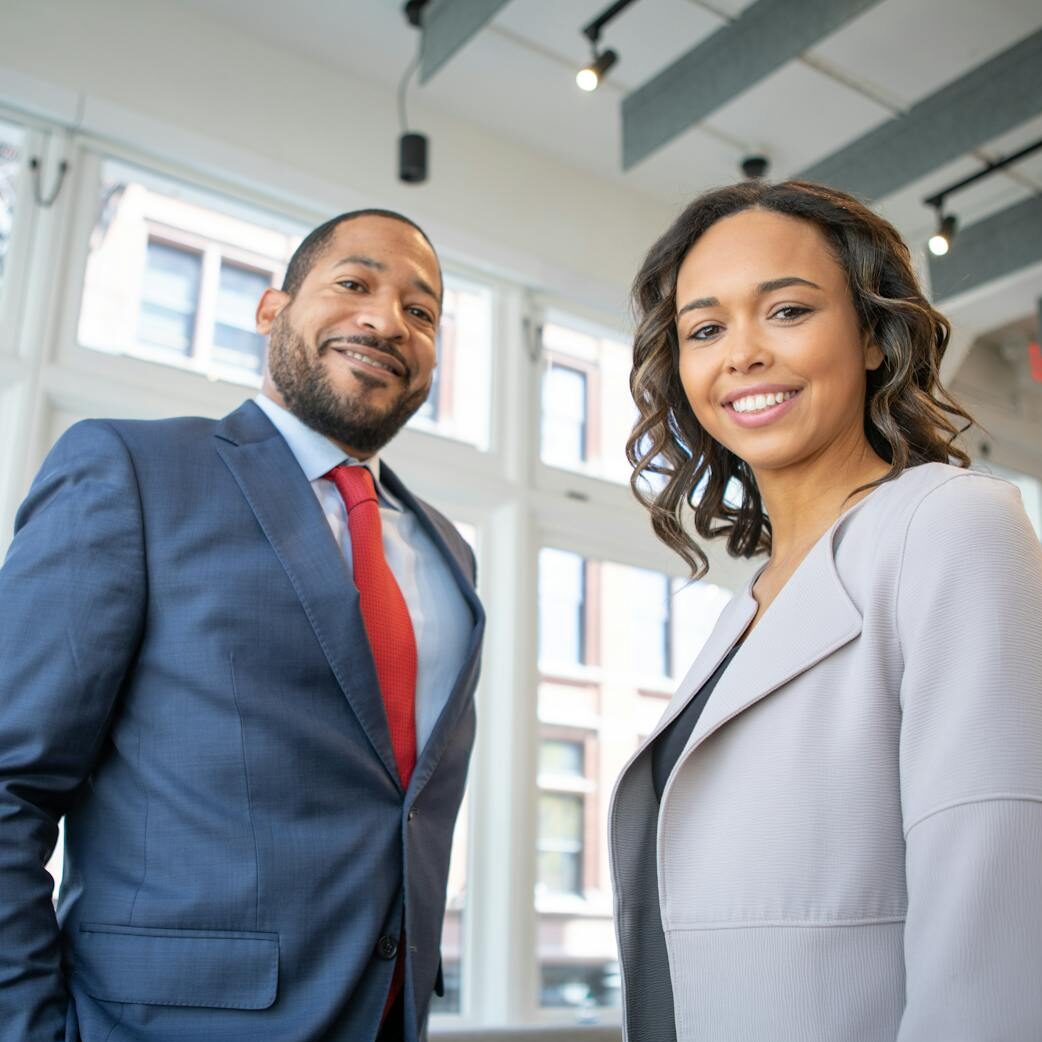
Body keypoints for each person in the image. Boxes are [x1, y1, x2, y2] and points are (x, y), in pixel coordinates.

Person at [0, 209, 484, 1042]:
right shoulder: (130, 471)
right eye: (355, 284)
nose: (386, 319)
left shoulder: (449, 552)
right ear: (271, 310)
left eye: (421, 311)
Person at [609, 180, 1042, 1042]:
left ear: (874, 338)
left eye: (788, 311)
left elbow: (997, 911)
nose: (741, 354)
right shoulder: (753, 602)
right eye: (705, 329)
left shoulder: (950, 524)